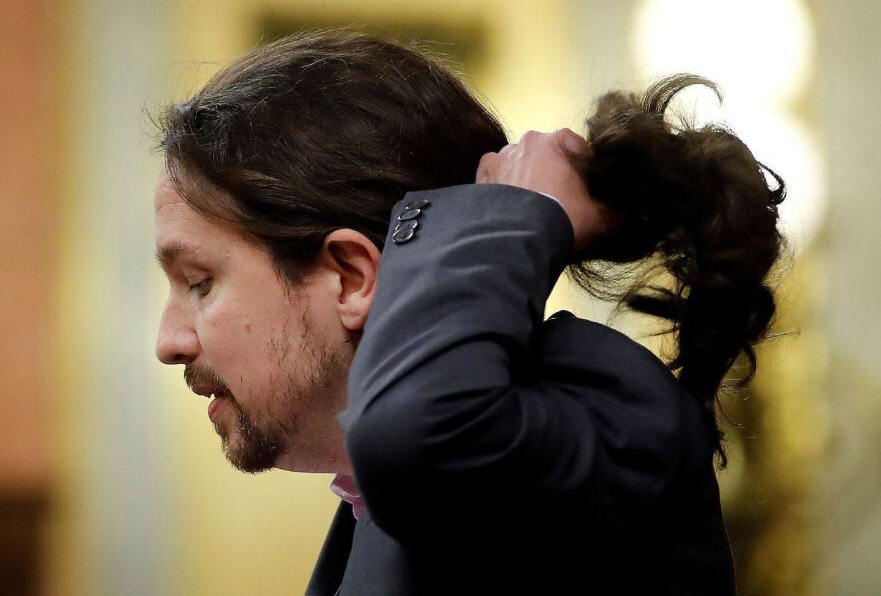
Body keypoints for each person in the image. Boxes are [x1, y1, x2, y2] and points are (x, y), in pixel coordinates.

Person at [152, 30, 787, 595]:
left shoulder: (600, 404)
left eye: (200, 282)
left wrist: (514, 212)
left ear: (351, 276)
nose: (169, 340)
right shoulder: (411, 464)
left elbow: (417, 435)